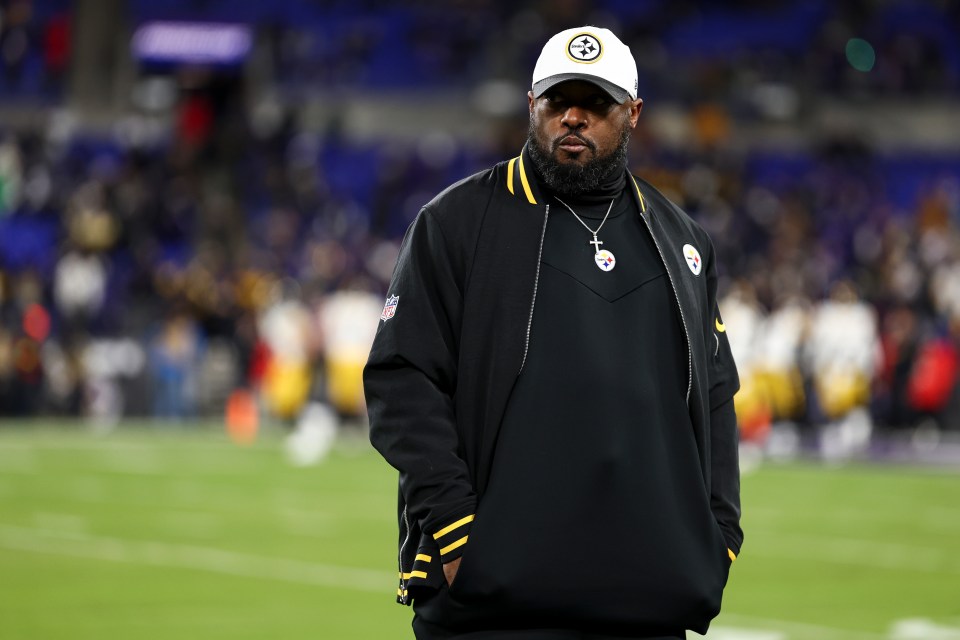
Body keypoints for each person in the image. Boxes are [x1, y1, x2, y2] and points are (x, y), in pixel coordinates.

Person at [364, 26, 742, 640]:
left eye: (595, 103)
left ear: (633, 113)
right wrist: (458, 536)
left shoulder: (683, 240)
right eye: (556, 100)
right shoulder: (456, 223)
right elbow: (401, 382)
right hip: (495, 604)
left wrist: (717, 541)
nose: (572, 117)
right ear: (530, 104)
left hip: (650, 601)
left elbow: (716, 395)